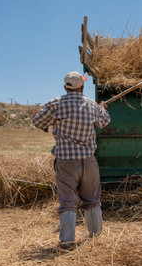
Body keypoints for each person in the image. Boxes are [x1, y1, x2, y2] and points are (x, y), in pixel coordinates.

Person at [33, 71, 110, 249]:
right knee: (92, 199)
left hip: (66, 161)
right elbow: (104, 121)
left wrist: (52, 123)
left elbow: (38, 122)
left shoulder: (55, 104)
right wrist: (102, 108)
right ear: (82, 87)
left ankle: (67, 242)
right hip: (89, 161)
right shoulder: (91, 105)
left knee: (67, 201)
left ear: (65, 87)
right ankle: (96, 237)